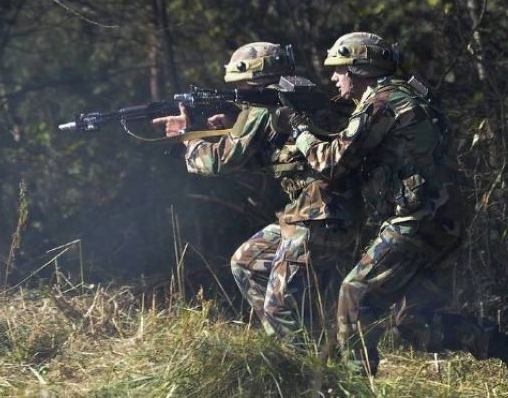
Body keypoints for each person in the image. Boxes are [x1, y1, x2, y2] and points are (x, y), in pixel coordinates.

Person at [286, 32, 508, 397]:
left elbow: (331, 162)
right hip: (444, 218)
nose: (334, 78)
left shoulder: (382, 101)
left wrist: (299, 132)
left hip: (420, 218)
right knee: (414, 323)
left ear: (359, 69)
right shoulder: (400, 95)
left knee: (355, 292)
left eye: (339, 70)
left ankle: (355, 390)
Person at [153, 42, 363, 341]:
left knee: (280, 306)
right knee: (248, 262)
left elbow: (218, 162)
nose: (238, 94)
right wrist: (232, 128)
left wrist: (187, 140)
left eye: (241, 86)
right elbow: (276, 157)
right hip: (324, 213)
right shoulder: (298, 98)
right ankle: (312, 353)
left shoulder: (265, 106)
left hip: (318, 216)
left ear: (254, 78)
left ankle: (306, 373)